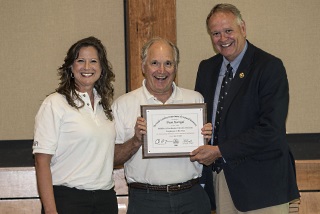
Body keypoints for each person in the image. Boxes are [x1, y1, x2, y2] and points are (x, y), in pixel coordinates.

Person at [190, 3, 300, 214]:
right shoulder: (207, 68)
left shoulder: (269, 67)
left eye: (228, 30)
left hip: (263, 185)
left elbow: (271, 129)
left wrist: (219, 150)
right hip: (222, 181)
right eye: (216, 33)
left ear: (243, 28)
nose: (223, 38)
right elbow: (202, 119)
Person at [112, 37, 212, 214]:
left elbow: (207, 157)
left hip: (191, 198)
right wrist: (135, 141)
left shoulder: (195, 100)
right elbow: (112, 159)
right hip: (146, 200)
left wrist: (206, 144)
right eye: (154, 63)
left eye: (168, 63)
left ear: (175, 67)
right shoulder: (123, 104)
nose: (161, 70)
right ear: (143, 67)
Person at [32, 36, 118, 214]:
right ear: (71, 67)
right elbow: (41, 161)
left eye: (93, 61)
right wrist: (50, 210)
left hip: (105, 200)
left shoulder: (106, 107)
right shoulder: (55, 103)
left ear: (102, 68)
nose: (87, 67)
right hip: (68, 201)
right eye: (80, 61)